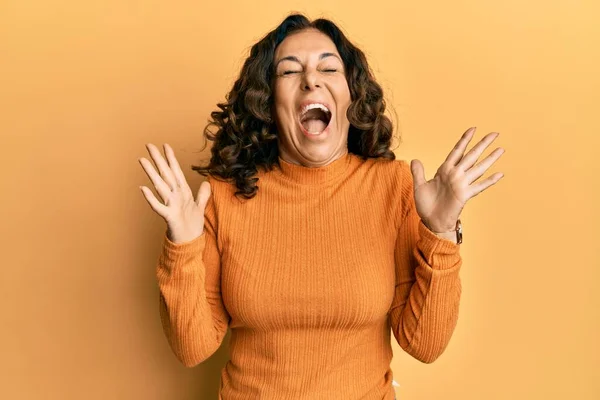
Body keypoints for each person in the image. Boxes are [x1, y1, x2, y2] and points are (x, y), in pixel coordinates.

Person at [138, 13, 504, 400]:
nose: (311, 79)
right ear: (268, 101)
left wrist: (442, 232)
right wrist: (182, 245)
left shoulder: (392, 187)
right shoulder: (223, 195)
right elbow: (192, 348)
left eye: (329, 68)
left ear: (351, 94)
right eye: (289, 71)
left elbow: (424, 344)